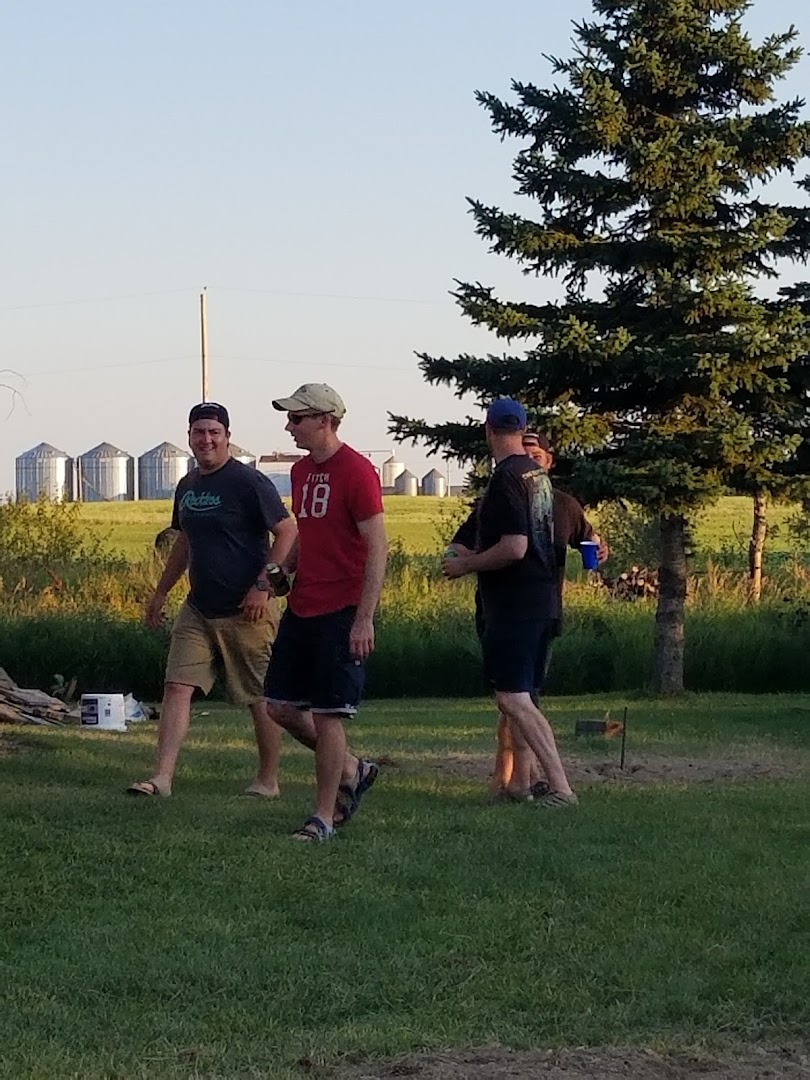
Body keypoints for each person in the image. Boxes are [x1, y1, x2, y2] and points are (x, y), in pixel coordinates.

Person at [127, 402, 296, 798]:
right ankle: (162, 778)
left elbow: (288, 531)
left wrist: (263, 585)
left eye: (214, 432)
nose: (206, 439)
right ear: (189, 437)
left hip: (247, 609)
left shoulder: (248, 481)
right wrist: (161, 592)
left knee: (259, 697)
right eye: (199, 432)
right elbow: (184, 541)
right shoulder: (187, 486)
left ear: (227, 437)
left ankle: (268, 780)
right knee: (176, 686)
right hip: (198, 608)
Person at [264, 383, 388, 842]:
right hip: (304, 605)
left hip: (342, 608)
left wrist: (364, 618)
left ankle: (322, 817)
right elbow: (309, 533)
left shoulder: (356, 471)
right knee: (279, 707)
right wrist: (283, 570)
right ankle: (353, 769)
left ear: (325, 420)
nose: (289, 427)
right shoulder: (300, 472)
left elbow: (377, 548)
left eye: (297, 418)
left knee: (327, 713)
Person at [442, 398, 577, 808]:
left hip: (515, 604)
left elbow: (515, 546)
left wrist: (466, 565)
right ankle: (520, 784)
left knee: (513, 698)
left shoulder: (505, 478)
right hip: (543, 598)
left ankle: (561, 788)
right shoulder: (537, 476)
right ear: (521, 429)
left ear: (488, 430)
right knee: (521, 697)